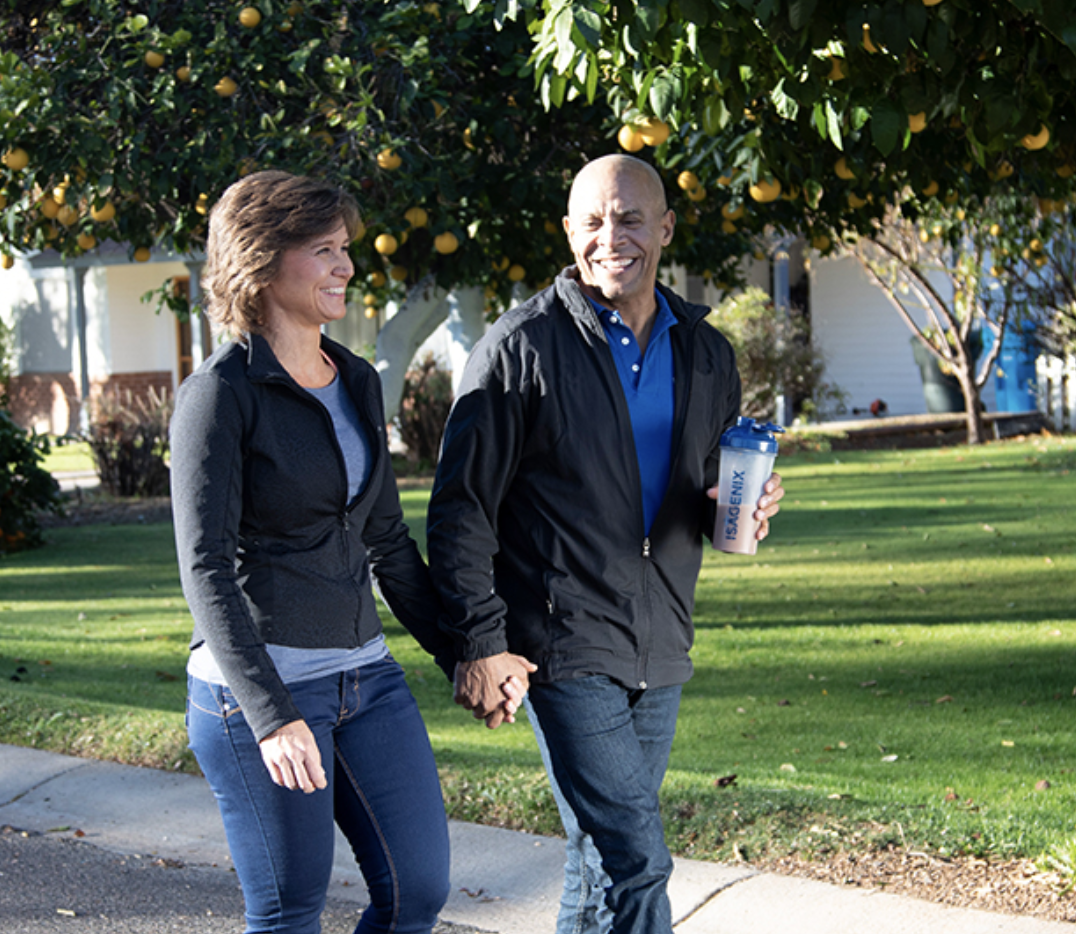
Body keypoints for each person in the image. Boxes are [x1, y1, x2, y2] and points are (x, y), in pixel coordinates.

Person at [426, 154, 785, 934]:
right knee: (637, 857)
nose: (609, 237)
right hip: (561, 642)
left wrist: (742, 509)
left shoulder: (706, 351)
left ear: (665, 227)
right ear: (568, 232)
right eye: (591, 221)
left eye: (628, 219)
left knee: (596, 856)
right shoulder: (521, 347)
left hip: (661, 638)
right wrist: (481, 642)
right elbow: (460, 511)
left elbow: (700, 487)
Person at [171, 170, 457, 934]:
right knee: (290, 910)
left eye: (345, 249)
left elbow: (388, 540)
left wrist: (461, 654)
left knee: (417, 891)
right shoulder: (220, 394)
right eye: (325, 250)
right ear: (262, 262)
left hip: (366, 677)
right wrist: (271, 717)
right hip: (259, 693)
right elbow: (205, 569)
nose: (347, 267)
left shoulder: (356, 379)